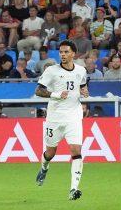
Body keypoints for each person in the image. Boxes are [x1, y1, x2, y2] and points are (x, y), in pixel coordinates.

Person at [34, 42, 89, 200]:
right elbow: (38, 90)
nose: (63, 54)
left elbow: (82, 87)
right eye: (61, 52)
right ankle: (44, 166)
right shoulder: (52, 71)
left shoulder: (81, 71)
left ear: (74, 54)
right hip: (55, 118)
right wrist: (56, 95)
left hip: (74, 117)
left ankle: (73, 189)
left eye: (66, 52)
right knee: (51, 152)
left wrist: (84, 91)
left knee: (76, 151)